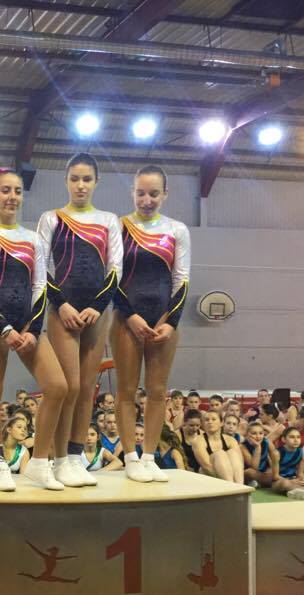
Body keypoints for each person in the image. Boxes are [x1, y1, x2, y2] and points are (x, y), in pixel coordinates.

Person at [0, 167, 68, 491]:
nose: (12, 197)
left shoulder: (33, 239)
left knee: (58, 386)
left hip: (28, 325)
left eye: (17, 191)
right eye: (5, 190)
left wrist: (33, 330)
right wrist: (5, 329)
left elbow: (40, 285)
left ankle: (38, 463)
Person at [37, 152, 122, 490]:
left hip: (97, 311)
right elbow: (40, 267)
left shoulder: (109, 220)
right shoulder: (52, 218)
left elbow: (115, 269)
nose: (81, 185)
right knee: (69, 387)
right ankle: (59, 460)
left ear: (96, 182)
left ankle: (75, 457)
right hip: (64, 310)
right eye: (75, 179)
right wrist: (62, 305)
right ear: (66, 181)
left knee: (87, 388)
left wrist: (99, 306)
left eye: (87, 179)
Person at [112, 165, 190, 482]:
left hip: (163, 319)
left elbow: (181, 280)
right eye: (141, 193)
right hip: (125, 318)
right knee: (126, 391)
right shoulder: (118, 227)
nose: (147, 200)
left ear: (165, 194)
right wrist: (130, 316)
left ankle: (149, 457)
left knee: (157, 391)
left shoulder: (177, 230)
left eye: (154, 194)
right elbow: (112, 278)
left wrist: (170, 322)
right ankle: (130, 457)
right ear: (132, 192)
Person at [190, 410, 244, 483]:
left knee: (232, 453)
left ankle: (240, 486)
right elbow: (206, 466)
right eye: (207, 420)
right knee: (219, 454)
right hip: (206, 476)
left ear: (221, 423)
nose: (210, 422)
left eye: (213, 419)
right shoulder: (198, 440)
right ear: (203, 424)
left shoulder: (231, 440)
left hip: (228, 476)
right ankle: (231, 487)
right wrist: (224, 481)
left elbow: (240, 464)